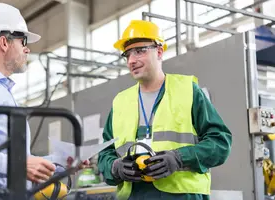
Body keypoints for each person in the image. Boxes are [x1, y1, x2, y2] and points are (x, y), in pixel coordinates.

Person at [97, 20, 232, 200]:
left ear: (159, 52)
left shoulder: (188, 91)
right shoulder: (121, 102)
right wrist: (116, 167)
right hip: (135, 196)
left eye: (139, 51)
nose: (131, 60)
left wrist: (179, 158)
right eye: (127, 54)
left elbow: (220, 142)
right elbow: (105, 152)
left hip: (182, 196)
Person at [0, 3, 88, 199]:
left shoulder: (0, 90)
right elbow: (15, 163)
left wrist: (59, 163)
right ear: (3, 43)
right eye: (23, 41)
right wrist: (17, 164)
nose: (27, 50)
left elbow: (17, 161)